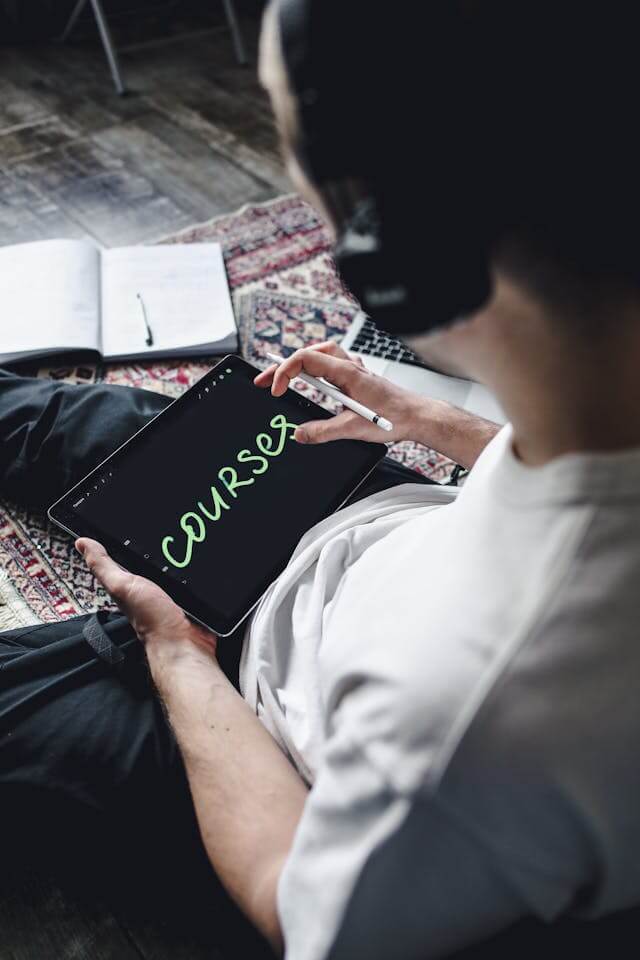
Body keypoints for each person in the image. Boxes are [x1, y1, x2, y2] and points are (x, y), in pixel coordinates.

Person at [2, 1, 640, 958]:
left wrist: (175, 652)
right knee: (82, 422)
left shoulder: (462, 714)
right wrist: (440, 424)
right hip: (373, 524)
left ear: (396, 273)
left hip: (247, 695)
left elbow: (296, 907)